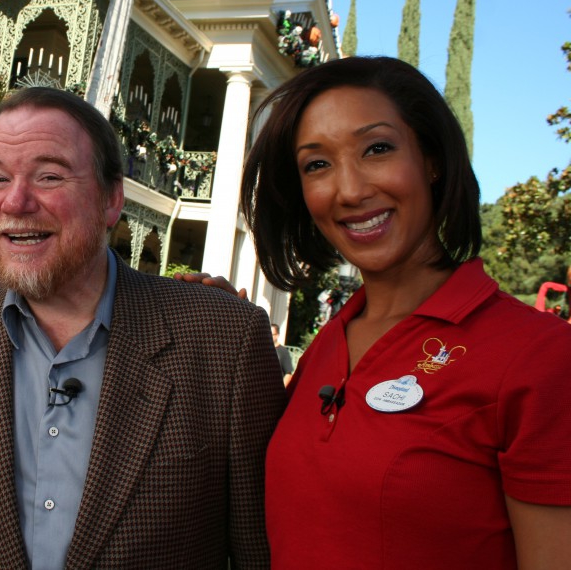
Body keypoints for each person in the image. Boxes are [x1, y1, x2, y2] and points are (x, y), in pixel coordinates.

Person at [0, 87, 286, 569]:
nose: (16, 202)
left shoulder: (224, 343)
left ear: (111, 200)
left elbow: (264, 551)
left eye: (49, 175)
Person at [241, 56, 571, 568]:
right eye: (317, 164)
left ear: (432, 159)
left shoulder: (540, 357)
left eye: (377, 149)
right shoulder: (330, 344)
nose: (349, 190)